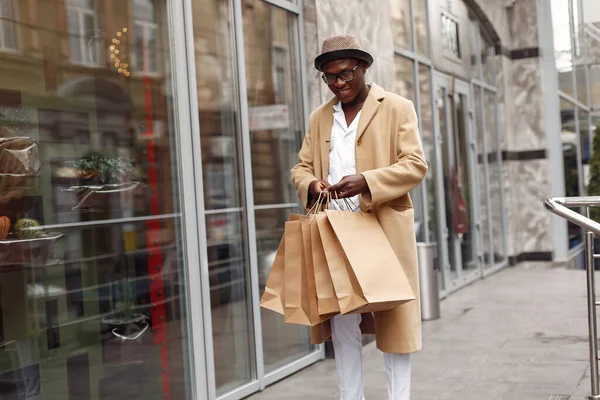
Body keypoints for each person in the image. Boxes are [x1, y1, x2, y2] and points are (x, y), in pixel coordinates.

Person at [291, 34, 428, 400]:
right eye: (330, 77)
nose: (338, 83)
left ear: (363, 68)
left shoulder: (397, 107)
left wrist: (367, 181)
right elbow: (301, 167)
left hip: (383, 228)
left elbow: (415, 165)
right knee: (342, 321)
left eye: (346, 74)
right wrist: (312, 184)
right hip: (335, 230)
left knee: (394, 321)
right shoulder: (319, 117)